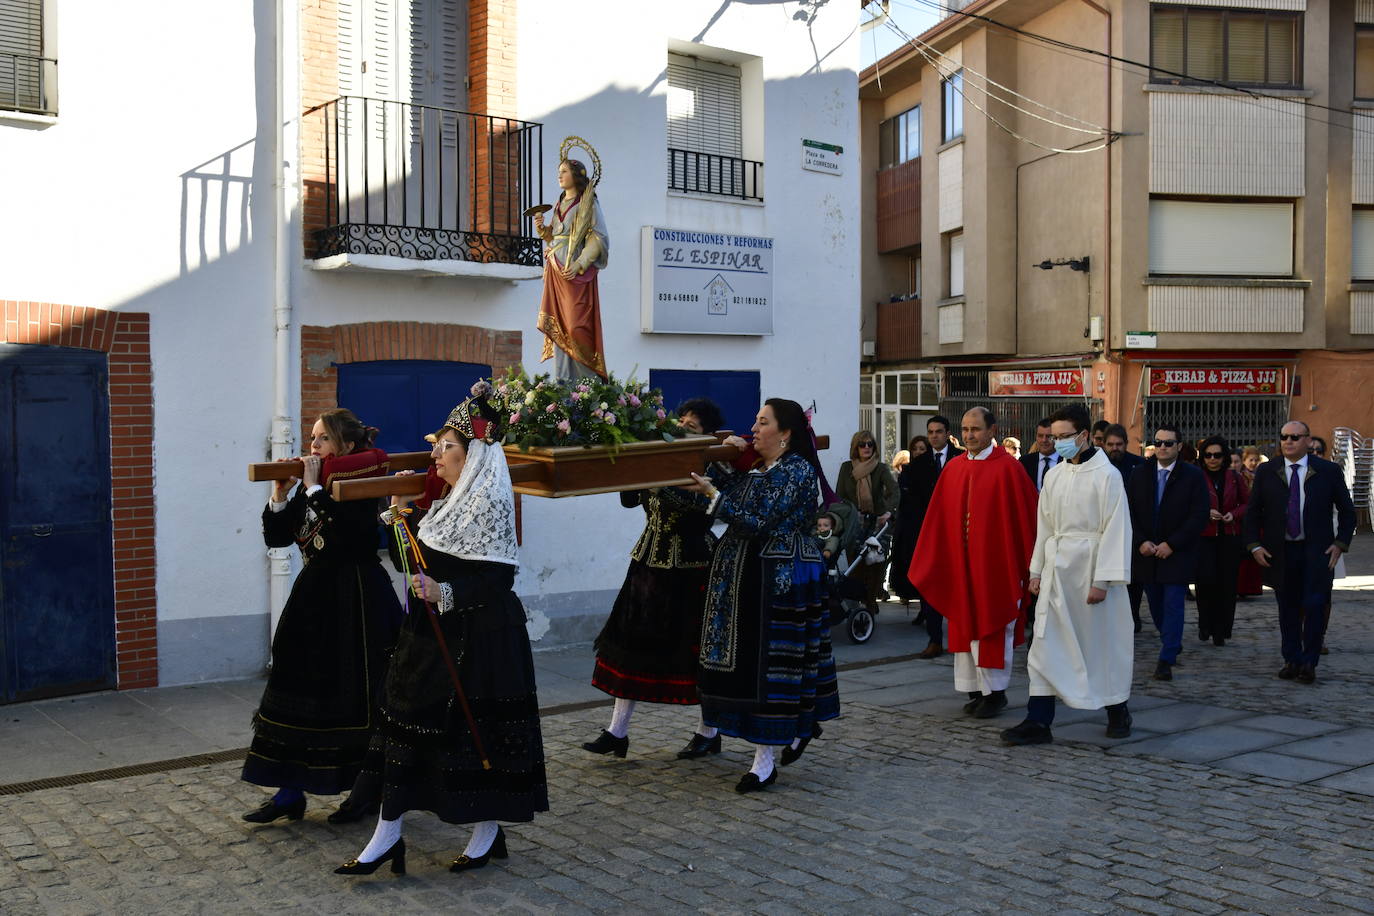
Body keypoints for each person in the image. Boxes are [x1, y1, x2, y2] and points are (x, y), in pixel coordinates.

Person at [338, 385, 547, 877]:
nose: (435, 452)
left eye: (445, 446)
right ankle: (386, 836)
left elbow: (497, 579)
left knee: (476, 738)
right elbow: (415, 561)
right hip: (427, 637)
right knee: (403, 729)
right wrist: (395, 516)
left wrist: (444, 593)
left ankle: (486, 832)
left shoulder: (488, 505)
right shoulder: (447, 504)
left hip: (481, 641)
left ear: (472, 456)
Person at [242, 410, 401, 825]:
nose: (312, 447)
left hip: (357, 598)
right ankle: (288, 791)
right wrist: (280, 494)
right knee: (298, 687)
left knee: (356, 694)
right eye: (311, 439)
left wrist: (313, 489)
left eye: (322, 440)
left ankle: (367, 790)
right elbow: (279, 538)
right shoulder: (315, 484)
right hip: (314, 598)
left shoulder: (362, 484)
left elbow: (352, 536)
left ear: (346, 447)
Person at [685, 399, 840, 793]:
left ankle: (764, 761)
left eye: (762, 422)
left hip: (780, 580)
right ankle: (786, 735)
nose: (753, 428)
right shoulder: (759, 469)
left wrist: (714, 497)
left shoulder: (797, 471)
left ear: (785, 433)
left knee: (772, 669)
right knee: (749, 667)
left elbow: (760, 518)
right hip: (746, 580)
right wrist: (720, 462)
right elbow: (731, 492)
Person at [582, 398, 724, 760]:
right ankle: (617, 732)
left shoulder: (713, 466)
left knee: (694, 649)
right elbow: (630, 501)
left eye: (691, 427)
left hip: (692, 567)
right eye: (679, 424)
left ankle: (709, 731)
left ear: (706, 434)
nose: (681, 430)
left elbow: (705, 508)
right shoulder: (660, 457)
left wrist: (660, 478)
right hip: (648, 560)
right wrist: (633, 464)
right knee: (631, 644)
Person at [1002, 404, 1134, 746]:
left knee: (1101, 645)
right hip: (1057, 574)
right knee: (1044, 646)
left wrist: (1103, 580)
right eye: (1053, 437)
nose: (1056, 443)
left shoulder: (1108, 476)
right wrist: (1036, 571)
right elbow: (1045, 527)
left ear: (1085, 436)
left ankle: (1117, 708)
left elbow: (1117, 529)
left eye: (1064, 437)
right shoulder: (1055, 476)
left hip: (1091, 572)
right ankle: (1038, 720)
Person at [908, 408, 1039, 719]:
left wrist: (1029, 565)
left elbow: (1029, 519)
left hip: (995, 568)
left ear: (992, 430)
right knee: (965, 625)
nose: (969, 435)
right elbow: (938, 520)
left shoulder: (1009, 468)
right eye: (965, 429)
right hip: (961, 566)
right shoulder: (953, 469)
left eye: (976, 429)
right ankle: (975, 689)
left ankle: (995, 693)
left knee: (993, 627)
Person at [1242, 421, 1356, 685]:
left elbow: (1348, 512)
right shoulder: (1267, 471)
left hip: (1317, 550)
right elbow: (1252, 513)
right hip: (1281, 551)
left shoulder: (1327, 471)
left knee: (1315, 605)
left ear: (1307, 440)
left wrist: (1340, 544)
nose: (1288, 441)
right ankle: (1291, 658)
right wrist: (1254, 545)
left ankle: (1309, 662)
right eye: (1283, 437)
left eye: (1294, 437)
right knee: (1288, 608)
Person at [1126, 425, 1209, 682]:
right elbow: (1128, 511)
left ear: (1179, 446)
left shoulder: (1193, 476)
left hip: (1177, 553)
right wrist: (1140, 541)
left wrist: (1172, 544)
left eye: (1168, 443)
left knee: (1173, 603)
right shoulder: (1140, 473)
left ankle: (1167, 656)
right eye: (1159, 442)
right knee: (1155, 605)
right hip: (1147, 553)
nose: (1162, 447)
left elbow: (1199, 515)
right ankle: (1169, 640)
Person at [535, 157, 608, 381]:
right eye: (559, 171)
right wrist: (543, 231)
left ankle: (587, 384)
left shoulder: (588, 203)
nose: (559, 175)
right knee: (559, 325)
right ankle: (563, 381)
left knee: (577, 326)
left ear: (576, 176)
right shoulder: (558, 204)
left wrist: (580, 264)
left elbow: (598, 237)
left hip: (576, 272)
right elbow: (555, 238)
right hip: (555, 270)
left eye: (564, 171)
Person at [901, 418, 964, 654]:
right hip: (930, 533)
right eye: (930, 432)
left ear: (948, 433)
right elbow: (911, 502)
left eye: (939, 432)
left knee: (960, 585)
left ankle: (963, 636)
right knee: (932, 585)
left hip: (959, 531)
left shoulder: (962, 458)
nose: (934, 436)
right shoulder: (918, 464)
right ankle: (935, 639)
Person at [1194, 435, 1249, 647]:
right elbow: (1190, 504)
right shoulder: (1197, 476)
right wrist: (1206, 512)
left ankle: (1222, 629)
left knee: (1227, 585)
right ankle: (1205, 624)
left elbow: (1247, 503)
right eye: (1208, 455)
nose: (1212, 459)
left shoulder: (1234, 477)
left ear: (1224, 456)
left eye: (1217, 455)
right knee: (1205, 582)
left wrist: (1233, 514)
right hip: (1204, 536)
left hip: (1229, 536)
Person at [836, 430, 899, 615]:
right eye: (862, 444)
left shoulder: (880, 468)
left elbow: (895, 491)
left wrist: (888, 511)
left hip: (877, 522)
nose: (866, 448)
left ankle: (871, 600)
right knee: (855, 562)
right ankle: (857, 600)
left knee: (876, 563)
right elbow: (840, 495)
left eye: (870, 444)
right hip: (855, 521)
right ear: (855, 447)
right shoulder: (846, 468)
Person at [1102, 423, 1144, 631]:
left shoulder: (1139, 465)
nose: (1114, 448)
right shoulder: (1098, 466)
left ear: (1126, 444)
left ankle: (1133, 615)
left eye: (1119, 444)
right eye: (1110, 444)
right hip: (1106, 527)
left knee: (1133, 578)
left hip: (1133, 527)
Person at [1236, 446, 1267, 599]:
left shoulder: (1259, 476)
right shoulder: (1241, 477)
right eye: (1251, 460)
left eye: (1256, 460)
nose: (1253, 463)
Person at [1020, 418, 1061, 491]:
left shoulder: (1066, 461)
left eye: (1049, 436)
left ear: (1056, 437)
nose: (1044, 440)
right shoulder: (1025, 462)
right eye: (1040, 436)